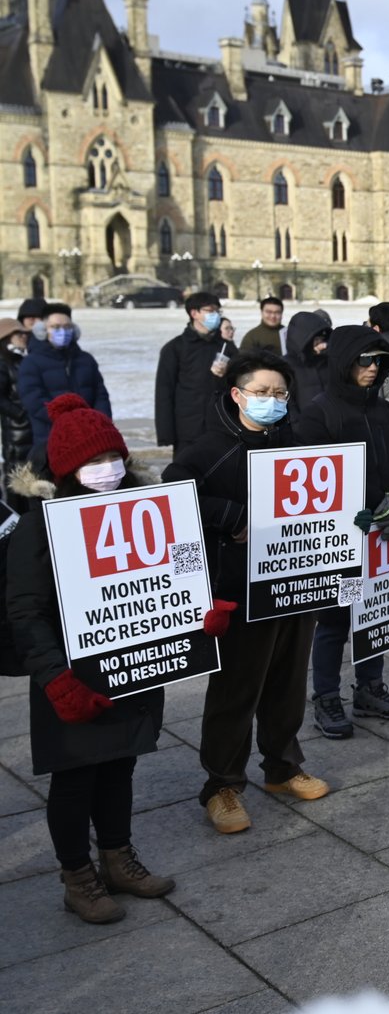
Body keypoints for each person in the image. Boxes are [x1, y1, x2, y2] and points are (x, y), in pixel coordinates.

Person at [6, 396, 178, 923]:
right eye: (92, 462)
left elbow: (173, 577)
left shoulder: (141, 507)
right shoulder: (40, 525)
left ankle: (117, 858)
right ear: (65, 468)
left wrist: (199, 620)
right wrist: (56, 679)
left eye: (113, 459)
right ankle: (77, 876)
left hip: (131, 659)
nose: (106, 471)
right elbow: (25, 609)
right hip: (71, 672)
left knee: (120, 765)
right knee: (75, 775)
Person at [161, 352, 329, 833]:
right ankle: (222, 786)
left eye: (280, 394)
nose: (272, 402)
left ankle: (282, 767)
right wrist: (230, 516)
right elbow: (173, 493)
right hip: (239, 590)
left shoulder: (297, 442)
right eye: (262, 393)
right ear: (237, 394)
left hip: (297, 582)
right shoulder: (209, 447)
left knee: (289, 683)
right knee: (237, 691)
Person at [295, 327, 389, 737]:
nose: (373, 369)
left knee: (376, 612)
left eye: (379, 362)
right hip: (342, 537)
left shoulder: (383, 410)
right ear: (344, 363)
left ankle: (370, 687)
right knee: (334, 621)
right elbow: (313, 482)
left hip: (384, 531)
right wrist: (351, 513)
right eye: (365, 361)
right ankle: (327, 696)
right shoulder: (319, 412)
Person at [17, 304, 112, 455]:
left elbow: (100, 394)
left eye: (67, 327)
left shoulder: (86, 360)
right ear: (42, 330)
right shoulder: (31, 362)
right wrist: (68, 423)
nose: (62, 331)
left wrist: (100, 422)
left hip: (90, 435)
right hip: (51, 437)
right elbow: (33, 400)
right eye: (55, 327)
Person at [155, 292, 236, 455]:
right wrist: (166, 433)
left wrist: (228, 372)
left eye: (217, 312)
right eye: (210, 311)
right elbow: (164, 392)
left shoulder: (226, 346)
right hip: (188, 430)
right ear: (194, 313)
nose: (215, 316)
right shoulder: (175, 348)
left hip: (221, 427)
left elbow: (240, 382)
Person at [0, 318, 32, 501]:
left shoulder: (22, 360)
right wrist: (21, 414)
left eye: (25, 333)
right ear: (6, 338)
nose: (23, 337)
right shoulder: (2, 363)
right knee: (16, 483)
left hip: (30, 432)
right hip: (16, 435)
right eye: (19, 334)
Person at [283, 310, 332, 421]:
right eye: (317, 340)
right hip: (302, 429)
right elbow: (288, 404)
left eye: (324, 340)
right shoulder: (286, 366)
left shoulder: (328, 362)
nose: (323, 345)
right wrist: (299, 427)